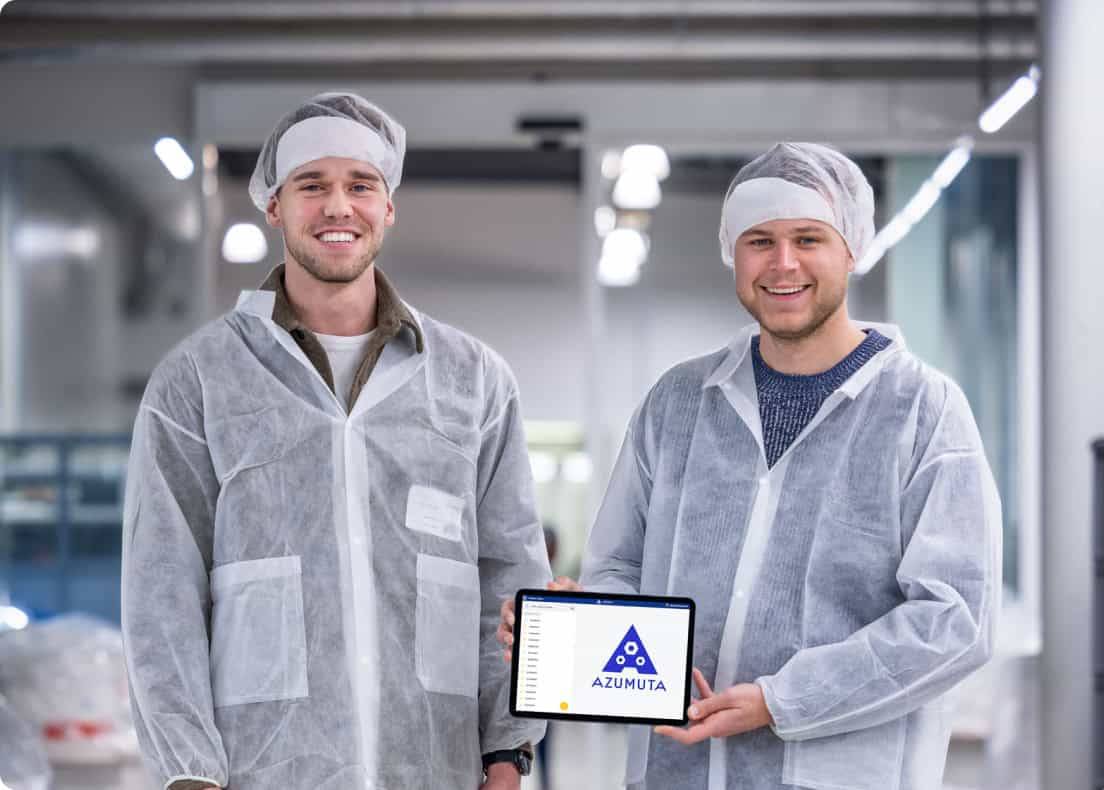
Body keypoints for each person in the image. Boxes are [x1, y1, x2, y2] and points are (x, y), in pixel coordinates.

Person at [499, 142, 1001, 790]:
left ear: (852, 247)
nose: (783, 263)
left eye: (808, 238)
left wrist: (780, 699)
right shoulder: (677, 404)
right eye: (759, 240)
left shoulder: (923, 412)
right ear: (732, 254)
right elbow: (618, 568)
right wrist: (573, 628)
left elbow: (956, 619)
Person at [121, 92, 550, 790]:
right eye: (311, 186)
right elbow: (160, 594)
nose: (337, 207)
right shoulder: (197, 381)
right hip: (262, 775)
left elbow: (508, 577)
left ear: (388, 207)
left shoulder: (475, 382)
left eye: (360, 185)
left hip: (433, 771)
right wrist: (188, 773)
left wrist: (506, 753)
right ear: (274, 206)